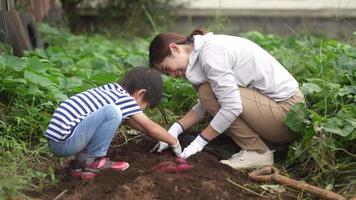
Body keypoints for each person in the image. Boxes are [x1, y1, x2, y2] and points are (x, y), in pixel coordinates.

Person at [149, 29, 305, 169]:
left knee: (210, 93)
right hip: (281, 113)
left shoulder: (211, 55)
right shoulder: (204, 50)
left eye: (166, 68)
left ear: (174, 48)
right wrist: (174, 131)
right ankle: (258, 146)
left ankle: (258, 152)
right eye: (167, 75)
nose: (172, 75)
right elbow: (207, 104)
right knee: (209, 93)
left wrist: (199, 142)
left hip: (288, 116)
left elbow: (230, 106)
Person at [44, 67, 182, 179]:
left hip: (60, 140)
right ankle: (94, 161)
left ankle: (81, 165)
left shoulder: (112, 91)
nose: (143, 110)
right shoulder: (125, 99)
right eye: (146, 105)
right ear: (140, 94)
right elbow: (150, 127)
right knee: (113, 112)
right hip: (67, 141)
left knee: (113, 112)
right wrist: (173, 141)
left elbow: (134, 123)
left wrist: (158, 137)